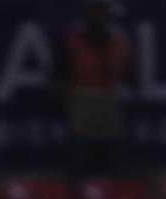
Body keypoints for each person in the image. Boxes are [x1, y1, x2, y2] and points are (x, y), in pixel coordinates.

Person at [50, 0, 131, 178]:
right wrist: (70, 101)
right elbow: (56, 78)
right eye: (93, 8)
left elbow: (129, 77)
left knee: (111, 165)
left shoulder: (119, 44)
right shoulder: (70, 42)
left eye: (102, 9)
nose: (98, 14)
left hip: (110, 109)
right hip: (81, 109)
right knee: (81, 163)